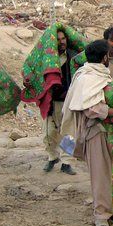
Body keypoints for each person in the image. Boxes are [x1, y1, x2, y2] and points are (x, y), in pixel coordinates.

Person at [61, 40, 113, 226]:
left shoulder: (96, 74)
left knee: (112, 173)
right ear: (104, 57)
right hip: (94, 132)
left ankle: (112, 211)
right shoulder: (87, 77)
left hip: (106, 132)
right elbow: (91, 109)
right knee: (100, 175)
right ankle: (101, 215)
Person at [42, 30, 78, 175]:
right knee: (49, 133)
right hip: (51, 101)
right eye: (58, 39)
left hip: (68, 101)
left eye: (64, 38)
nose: (62, 41)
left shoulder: (72, 56)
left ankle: (66, 162)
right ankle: (52, 157)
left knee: (68, 133)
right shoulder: (47, 59)